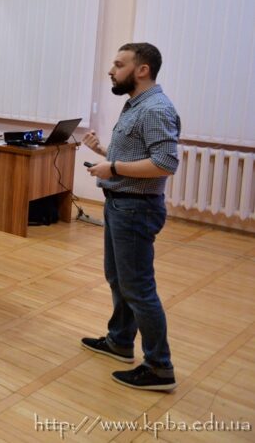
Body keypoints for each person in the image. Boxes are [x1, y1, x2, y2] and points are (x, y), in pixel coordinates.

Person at [81, 43, 180, 392]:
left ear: (142, 70)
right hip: (121, 204)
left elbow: (165, 164)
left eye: (119, 64)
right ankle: (120, 341)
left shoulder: (155, 108)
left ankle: (159, 367)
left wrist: (115, 167)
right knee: (119, 280)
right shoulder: (136, 104)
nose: (111, 69)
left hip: (135, 209)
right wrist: (103, 153)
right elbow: (140, 156)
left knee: (139, 289)